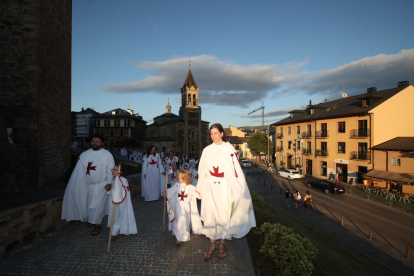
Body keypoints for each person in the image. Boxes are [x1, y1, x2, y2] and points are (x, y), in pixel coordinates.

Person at [196, 123, 256, 260]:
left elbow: (236, 171)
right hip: (209, 186)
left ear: (222, 133)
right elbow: (201, 170)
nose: (213, 136)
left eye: (215, 133)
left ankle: (222, 243)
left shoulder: (229, 149)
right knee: (210, 214)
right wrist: (200, 186)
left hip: (224, 186)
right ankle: (213, 244)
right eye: (211, 134)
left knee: (224, 215)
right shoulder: (207, 150)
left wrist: (239, 188)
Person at [61, 133, 115, 236]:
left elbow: (110, 170)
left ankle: (97, 225)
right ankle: (92, 219)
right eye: (93, 141)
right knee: (89, 204)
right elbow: (79, 171)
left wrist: (109, 182)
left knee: (98, 205)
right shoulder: (84, 154)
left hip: (101, 185)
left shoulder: (107, 154)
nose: (94, 143)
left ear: (102, 143)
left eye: (97, 141)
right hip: (87, 185)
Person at [166, 170, 202, 244]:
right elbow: (171, 191)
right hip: (178, 206)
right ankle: (179, 237)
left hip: (186, 206)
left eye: (179, 178)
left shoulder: (190, 187)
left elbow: (196, 193)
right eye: (178, 178)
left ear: (185, 179)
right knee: (179, 221)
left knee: (185, 220)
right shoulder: (176, 185)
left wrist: (199, 192)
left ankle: (185, 234)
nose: (178, 179)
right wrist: (166, 192)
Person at [107, 165, 138, 239]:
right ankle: (118, 230)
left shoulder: (122, 179)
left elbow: (124, 190)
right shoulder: (115, 179)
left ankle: (114, 232)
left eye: (116, 170)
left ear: (120, 172)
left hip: (121, 201)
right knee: (117, 215)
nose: (113, 171)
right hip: (116, 201)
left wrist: (118, 195)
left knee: (120, 215)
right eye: (113, 169)